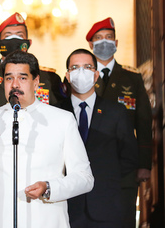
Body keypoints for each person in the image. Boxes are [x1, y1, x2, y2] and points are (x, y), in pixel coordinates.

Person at [0, 50, 94, 228]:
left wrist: (48, 187)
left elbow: (85, 178)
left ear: (36, 82)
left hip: (45, 220)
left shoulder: (62, 120)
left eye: (23, 78)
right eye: (9, 78)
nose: (15, 85)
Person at [58, 49, 139, 227]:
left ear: (95, 75)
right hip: (66, 206)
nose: (81, 72)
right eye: (75, 67)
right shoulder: (56, 113)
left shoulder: (116, 112)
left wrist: (105, 179)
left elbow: (129, 157)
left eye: (87, 67)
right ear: (68, 76)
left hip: (106, 205)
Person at [86, 17, 153, 227]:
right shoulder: (82, 75)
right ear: (90, 45)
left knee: (122, 218)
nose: (104, 42)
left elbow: (143, 122)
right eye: (99, 38)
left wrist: (144, 164)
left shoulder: (132, 77)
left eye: (108, 37)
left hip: (123, 163)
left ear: (116, 43)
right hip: (88, 161)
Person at [0, 12, 65, 130]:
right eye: (8, 36)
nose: (14, 40)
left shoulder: (49, 78)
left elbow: (59, 119)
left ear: (28, 43)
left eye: (19, 36)